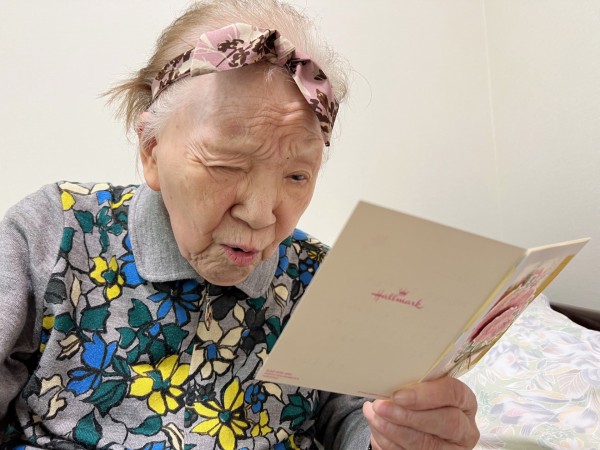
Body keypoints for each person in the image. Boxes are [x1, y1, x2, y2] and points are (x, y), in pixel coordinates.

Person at [0, 1, 479, 448]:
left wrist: (400, 434)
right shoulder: (54, 231)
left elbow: (353, 418)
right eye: (227, 165)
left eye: (297, 176)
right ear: (151, 150)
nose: (262, 213)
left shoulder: (319, 278)